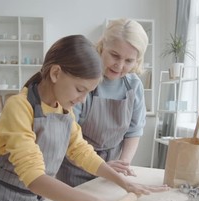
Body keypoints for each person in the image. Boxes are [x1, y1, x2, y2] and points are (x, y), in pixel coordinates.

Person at [0, 35, 168, 201]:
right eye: (80, 90)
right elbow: (34, 177)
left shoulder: (64, 111)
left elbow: (82, 152)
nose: (82, 100)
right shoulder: (20, 107)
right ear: (56, 73)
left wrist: (124, 183)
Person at [57, 19, 149, 187]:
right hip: (74, 170)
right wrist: (99, 166)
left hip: (111, 172)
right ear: (102, 47)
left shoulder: (134, 86)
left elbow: (134, 132)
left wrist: (123, 164)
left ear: (137, 61)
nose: (119, 65)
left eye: (129, 61)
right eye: (115, 55)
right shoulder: (84, 81)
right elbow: (65, 135)